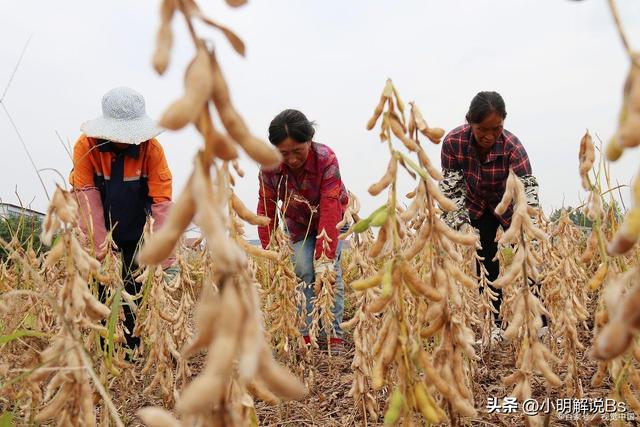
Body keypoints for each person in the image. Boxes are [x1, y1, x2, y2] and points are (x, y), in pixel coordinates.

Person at [69, 86, 177, 349]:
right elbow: (86, 200)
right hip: (99, 233)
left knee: (133, 290)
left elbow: (161, 205)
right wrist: (101, 251)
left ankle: (131, 347)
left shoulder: (152, 151)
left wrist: (165, 260)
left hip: (138, 233)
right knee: (102, 290)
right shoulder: (85, 147)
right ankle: (105, 346)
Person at [439, 91, 540, 336]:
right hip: (476, 205)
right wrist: (462, 226)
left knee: (528, 261)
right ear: (469, 121)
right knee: (484, 261)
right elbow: (451, 190)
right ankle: (493, 323)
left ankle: (537, 323)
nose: (489, 135)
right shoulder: (454, 142)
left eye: (497, 128)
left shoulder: (512, 147)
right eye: (482, 129)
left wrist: (526, 228)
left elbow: (527, 192)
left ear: (504, 123)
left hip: (510, 208)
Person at [257, 109, 349, 353]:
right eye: (284, 153)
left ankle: (332, 334)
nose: (292, 159)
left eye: (298, 151)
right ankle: (305, 334)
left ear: (310, 140)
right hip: (298, 224)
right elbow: (266, 208)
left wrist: (325, 256)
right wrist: (270, 251)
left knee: (328, 274)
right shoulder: (269, 165)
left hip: (332, 220)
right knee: (302, 269)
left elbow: (330, 206)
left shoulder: (325, 158)